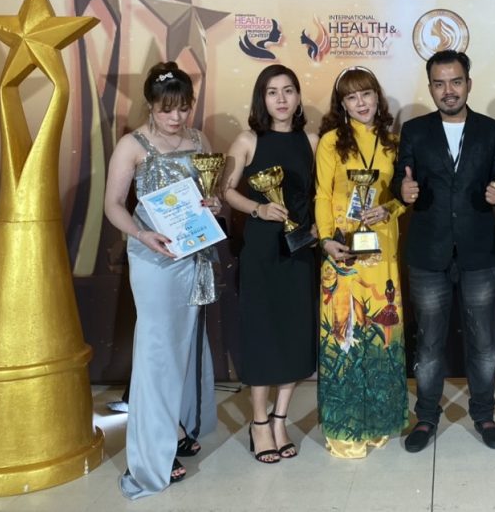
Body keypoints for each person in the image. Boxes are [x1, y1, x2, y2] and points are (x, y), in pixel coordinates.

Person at [103, 62, 220, 498]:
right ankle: (154, 452)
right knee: (157, 351)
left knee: (185, 343)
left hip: (192, 254)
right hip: (153, 258)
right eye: (167, 109)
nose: (176, 117)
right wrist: (141, 234)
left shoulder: (199, 140)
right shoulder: (132, 145)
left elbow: (206, 193)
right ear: (151, 106)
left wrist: (211, 204)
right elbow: (113, 204)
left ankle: (177, 426)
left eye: (183, 108)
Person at [391, 50, 495, 453]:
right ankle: (426, 417)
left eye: (456, 81)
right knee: (428, 345)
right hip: (428, 253)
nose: (448, 90)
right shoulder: (415, 130)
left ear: (468, 84)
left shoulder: (492, 131)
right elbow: (400, 178)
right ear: (430, 88)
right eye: (439, 84)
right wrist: (403, 190)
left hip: (478, 253)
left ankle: (484, 414)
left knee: (483, 344)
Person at [222, 64, 318, 464]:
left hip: (300, 250)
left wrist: (318, 227)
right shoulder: (247, 140)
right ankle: (259, 423)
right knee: (263, 335)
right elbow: (226, 190)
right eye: (272, 91)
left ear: (298, 97)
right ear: (261, 98)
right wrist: (258, 209)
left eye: (288, 90)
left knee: (295, 335)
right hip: (261, 250)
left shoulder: (312, 140)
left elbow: (319, 194)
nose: (281, 99)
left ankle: (281, 419)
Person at [314, 66, 408, 458]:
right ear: (342, 104)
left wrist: (389, 209)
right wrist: (325, 241)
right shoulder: (331, 142)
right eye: (351, 97)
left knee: (381, 334)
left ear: (377, 97)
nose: (361, 103)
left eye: (366, 94)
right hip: (343, 253)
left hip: (381, 250)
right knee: (345, 335)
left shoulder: (393, 143)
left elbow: (404, 195)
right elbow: (322, 194)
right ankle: (346, 427)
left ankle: (382, 422)